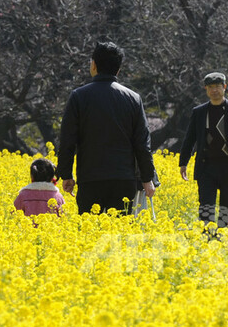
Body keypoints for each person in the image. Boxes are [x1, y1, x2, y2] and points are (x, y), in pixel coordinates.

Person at [57, 41, 156, 215]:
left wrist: (66, 174)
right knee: (119, 236)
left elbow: (67, 139)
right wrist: (147, 178)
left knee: (89, 236)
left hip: (90, 178)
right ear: (118, 69)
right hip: (123, 179)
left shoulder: (79, 96)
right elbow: (142, 143)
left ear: (94, 65)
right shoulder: (133, 98)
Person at [179, 72, 228, 228]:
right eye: (210, 87)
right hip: (206, 165)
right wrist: (183, 163)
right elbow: (190, 138)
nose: (214, 90)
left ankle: (224, 238)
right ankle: (207, 239)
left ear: (225, 87)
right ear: (206, 89)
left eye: (218, 87)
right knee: (205, 206)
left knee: (227, 205)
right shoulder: (199, 112)